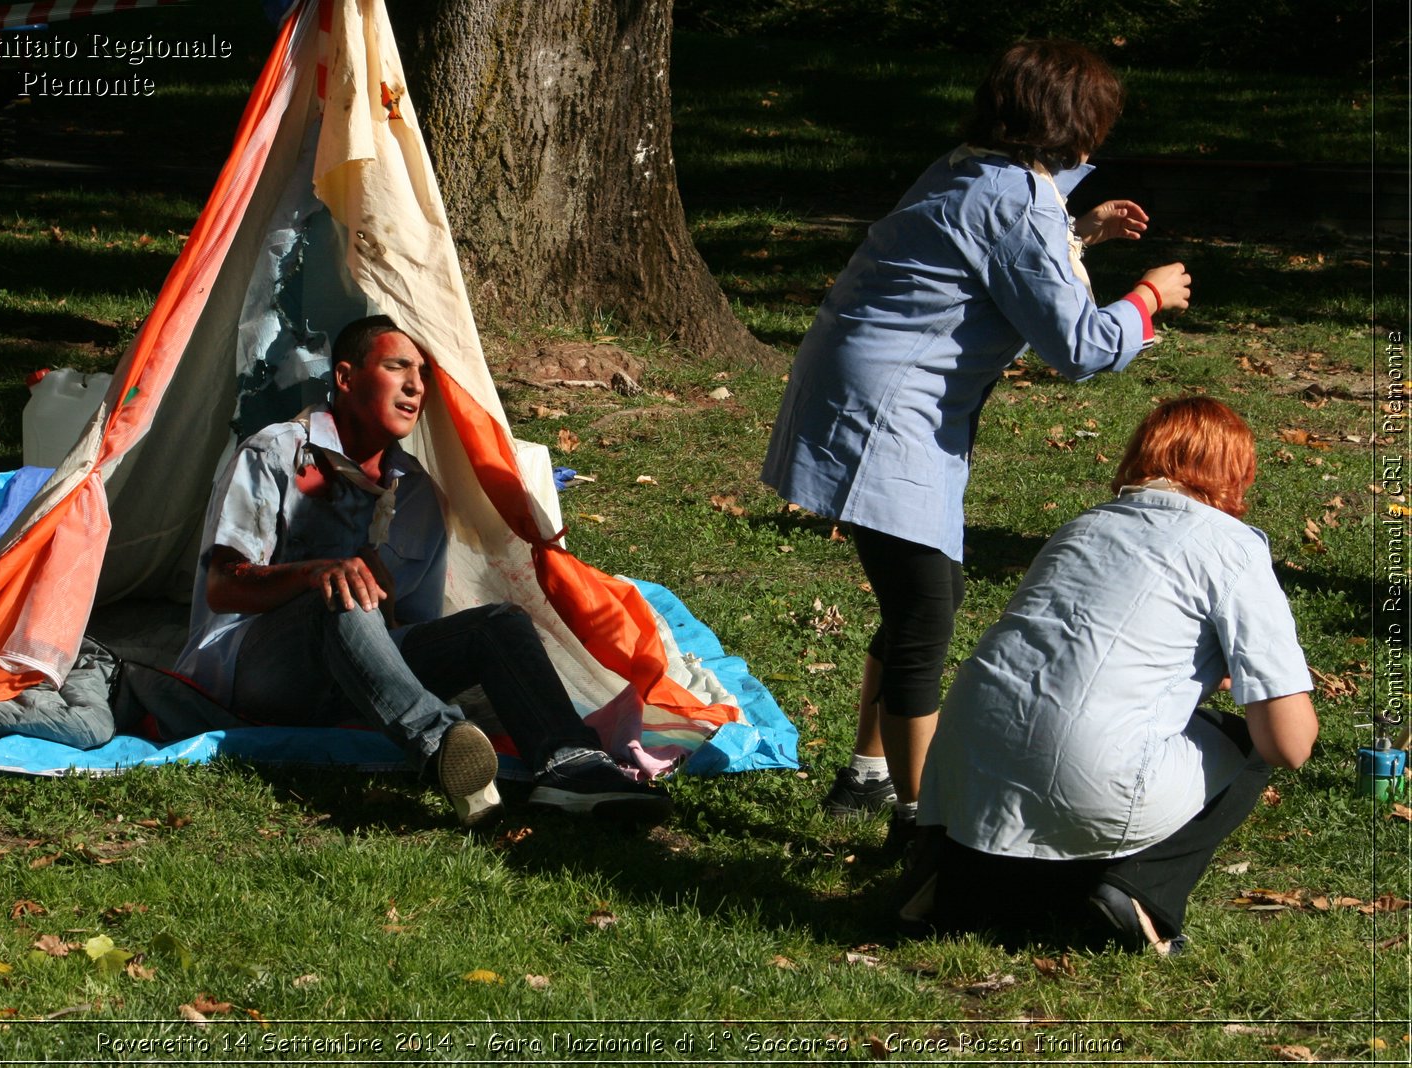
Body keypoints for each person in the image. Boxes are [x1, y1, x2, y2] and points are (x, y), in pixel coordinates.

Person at [760, 39, 1193, 854]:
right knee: (925, 609)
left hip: (872, 395)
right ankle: (923, 832)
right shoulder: (1016, 202)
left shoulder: (970, 167)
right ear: (1072, 128)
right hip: (886, 413)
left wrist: (1079, 230)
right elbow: (1081, 347)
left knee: (919, 598)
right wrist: (1147, 297)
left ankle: (867, 775)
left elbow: (1009, 250)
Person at [175, 315, 672, 827]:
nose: (416, 386)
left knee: (497, 624)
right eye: (397, 367)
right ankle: (445, 750)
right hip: (258, 672)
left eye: (423, 373)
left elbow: (410, 626)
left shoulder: (415, 493)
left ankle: (572, 766)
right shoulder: (274, 453)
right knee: (343, 590)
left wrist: (384, 608)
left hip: (361, 678)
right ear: (345, 378)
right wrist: (315, 573)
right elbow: (223, 585)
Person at [909, 397, 1317, 954]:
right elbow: (1289, 742)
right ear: (1233, 475)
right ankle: (1142, 893)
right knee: (1249, 744)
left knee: (1053, 753)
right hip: (1087, 770)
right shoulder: (1232, 547)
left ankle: (956, 873)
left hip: (960, 767)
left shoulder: (1085, 526)